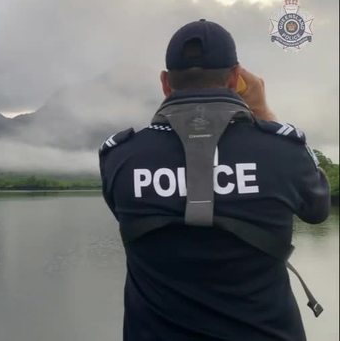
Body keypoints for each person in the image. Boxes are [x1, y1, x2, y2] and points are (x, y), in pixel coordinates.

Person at [98, 19, 330, 341]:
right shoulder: (281, 151)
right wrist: (263, 111)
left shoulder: (120, 157)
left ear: (165, 83)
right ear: (236, 78)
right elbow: (317, 209)